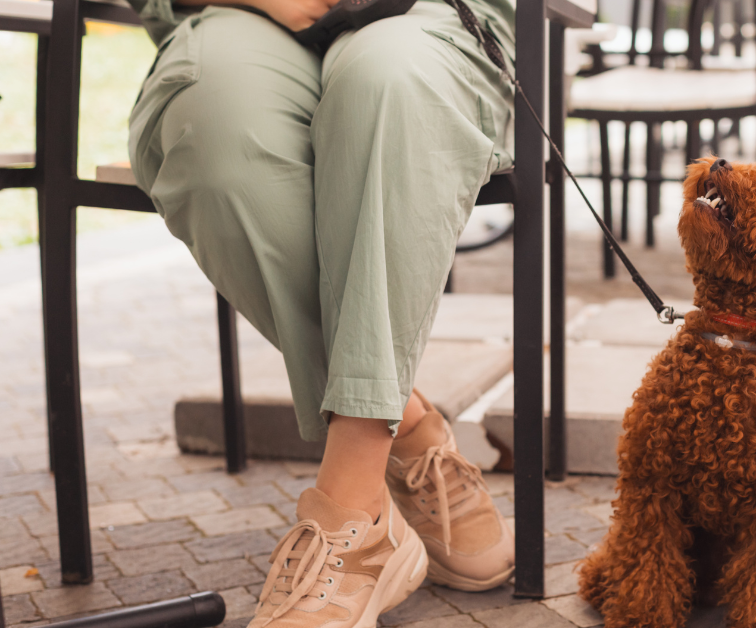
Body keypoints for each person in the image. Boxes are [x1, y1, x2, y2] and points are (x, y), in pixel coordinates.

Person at [123, 0, 516, 624]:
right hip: (239, 12)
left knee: (386, 82)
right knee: (217, 147)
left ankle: (352, 510)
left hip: (428, 13)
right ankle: (412, 430)